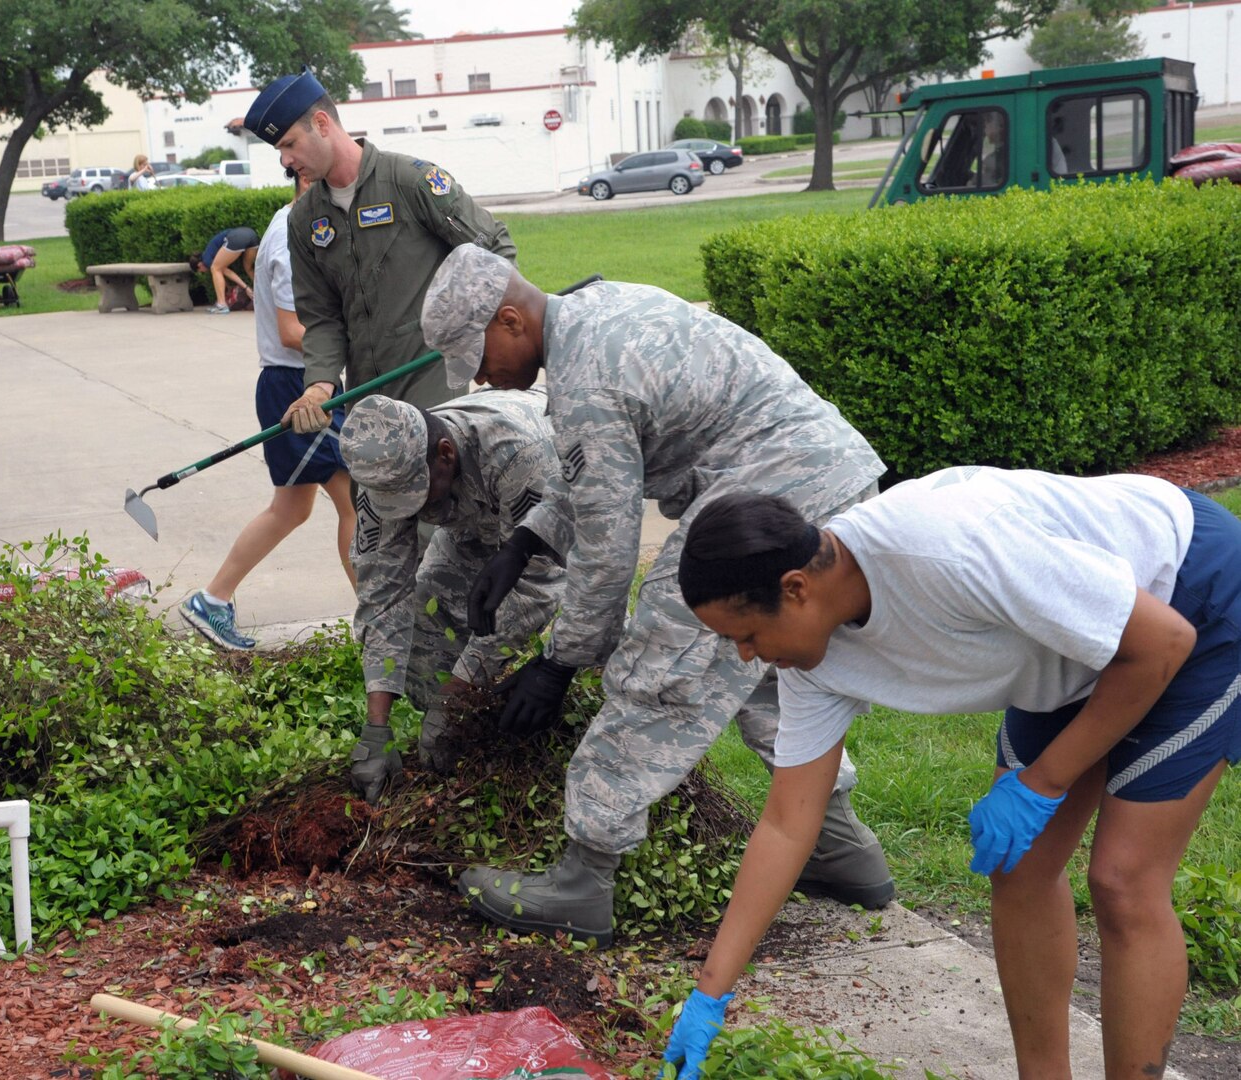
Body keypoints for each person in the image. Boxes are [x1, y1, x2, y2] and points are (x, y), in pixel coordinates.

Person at [665, 468, 1240, 1079]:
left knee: (1123, 881)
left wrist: (1043, 782)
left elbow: (1160, 642)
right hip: (1070, 644)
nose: (746, 656)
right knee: (1017, 866)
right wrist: (710, 991)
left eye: (746, 635)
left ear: (797, 587)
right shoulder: (810, 660)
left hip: (1188, 598)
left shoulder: (943, 549)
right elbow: (787, 823)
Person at [419, 243, 895, 946]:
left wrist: (559, 663)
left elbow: (609, 553)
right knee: (751, 666)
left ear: (511, 319)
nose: (484, 377)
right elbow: (600, 479)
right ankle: (838, 849)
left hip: (774, 482)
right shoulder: (602, 310)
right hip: (821, 473)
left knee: (660, 666)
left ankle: (584, 875)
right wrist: (526, 541)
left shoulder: (584, 380)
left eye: (480, 358)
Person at [240, 69, 516, 431]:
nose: (285, 161)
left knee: (437, 482)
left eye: (289, 144)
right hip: (365, 399)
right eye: (280, 150)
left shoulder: (411, 182)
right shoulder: (304, 219)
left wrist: (477, 331)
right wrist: (319, 387)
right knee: (368, 487)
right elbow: (321, 316)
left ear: (322, 123)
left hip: (433, 389)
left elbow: (493, 249)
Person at [338, 390, 573, 804]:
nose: (407, 510)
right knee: (424, 624)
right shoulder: (381, 468)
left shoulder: (521, 453)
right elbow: (383, 594)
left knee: (581, 638)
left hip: (561, 528)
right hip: (470, 528)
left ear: (445, 454)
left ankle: (553, 722)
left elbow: (536, 586)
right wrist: (377, 728)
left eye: (415, 494)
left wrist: (456, 696)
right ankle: (460, 750)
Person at [180, 173, 355, 651]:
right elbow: (291, 331)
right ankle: (379, 622)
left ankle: (212, 601)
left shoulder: (300, 226)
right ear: (305, 177)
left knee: (291, 508)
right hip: (296, 389)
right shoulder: (288, 236)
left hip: (299, 383)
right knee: (356, 502)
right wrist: (357, 342)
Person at [189, 226, 259, 315]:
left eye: (201, 271)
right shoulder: (210, 252)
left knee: (215, 268)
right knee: (248, 268)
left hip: (236, 238)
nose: (203, 272)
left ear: (199, 265)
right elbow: (223, 274)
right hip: (251, 234)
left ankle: (222, 305)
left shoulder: (207, 259)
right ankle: (263, 292)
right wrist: (228, 287)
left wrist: (246, 288)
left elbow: (228, 272)